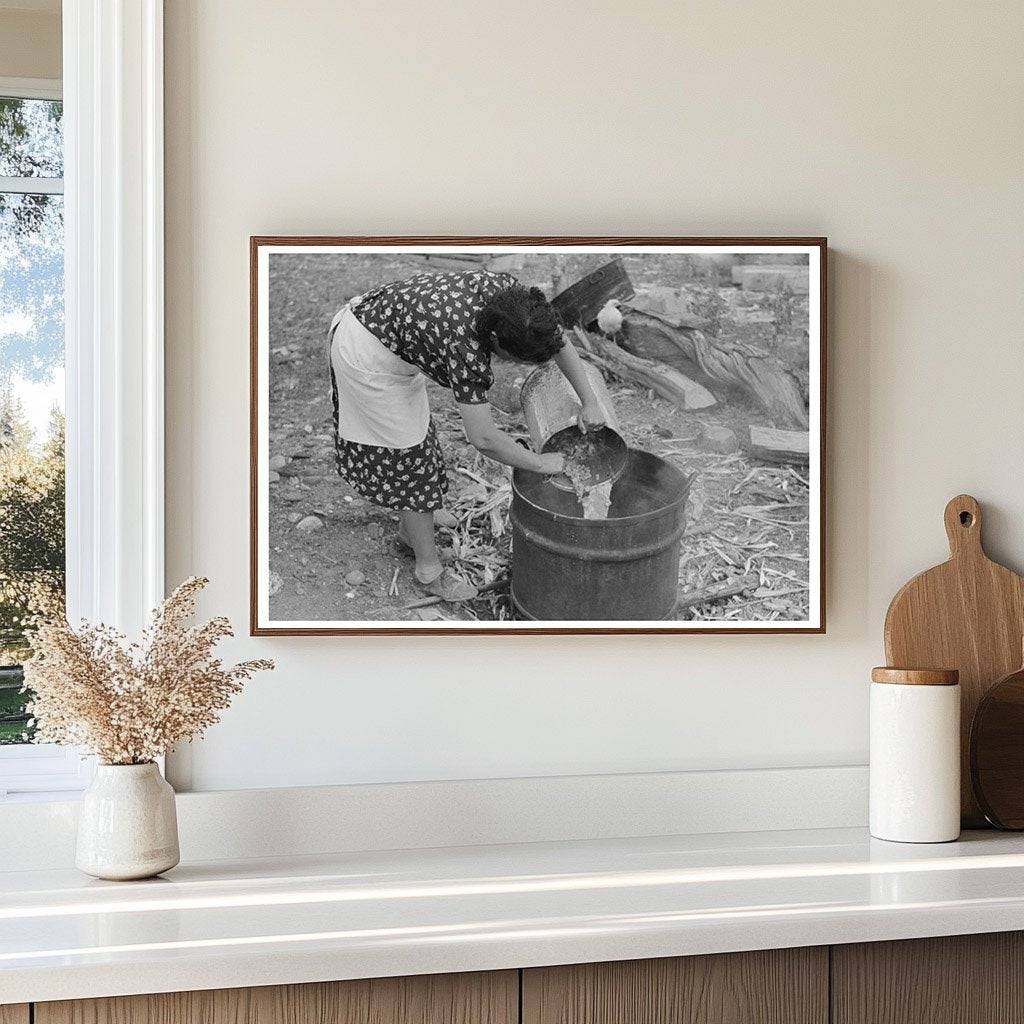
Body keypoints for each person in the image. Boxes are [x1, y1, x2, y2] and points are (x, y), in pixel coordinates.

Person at [328, 269, 605, 600]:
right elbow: (483, 437)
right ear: (497, 343)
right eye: (516, 361)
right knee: (408, 462)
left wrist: (589, 401)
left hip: (392, 332)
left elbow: (557, 339)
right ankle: (428, 571)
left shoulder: (516, 303)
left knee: (418, 438)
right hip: (367, 354)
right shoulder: (465, 347)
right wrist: (542, 463)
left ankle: (412, 529)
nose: (515, 367)